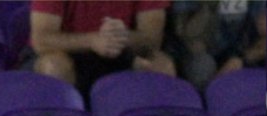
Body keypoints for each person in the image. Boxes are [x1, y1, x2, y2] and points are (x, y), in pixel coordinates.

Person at [26, 0, 177, 97]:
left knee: (161, 66)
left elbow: (152, 40)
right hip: (68, 53)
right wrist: (92, 40)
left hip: (121, 52)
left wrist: (121, 36)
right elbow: (41, 40)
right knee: (54, 66)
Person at [165, 0, 266, 91]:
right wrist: (208, 8)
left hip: (239, 51)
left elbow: (263, 32)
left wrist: (241, 59)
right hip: (197, 51)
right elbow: (182, 33)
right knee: (202, 67)